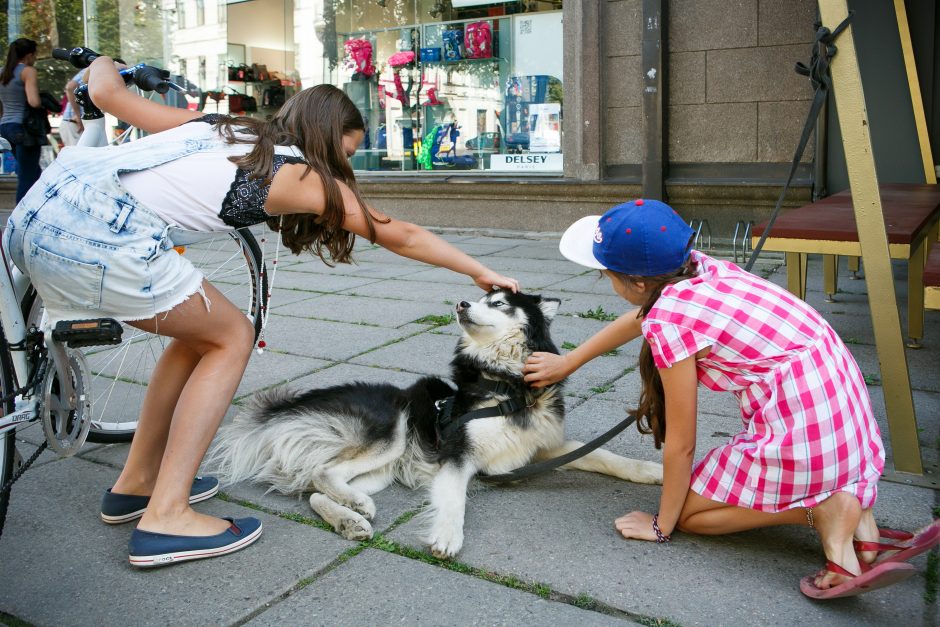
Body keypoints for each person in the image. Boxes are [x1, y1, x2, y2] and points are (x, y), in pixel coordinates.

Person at [3, 55, 519, 568]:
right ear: (323, 137)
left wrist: (101, 62)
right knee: (233, 336)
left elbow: (111, 96)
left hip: (36, 219)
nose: (343, 168)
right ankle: (166, 516)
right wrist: (477, 271)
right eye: (344, 153)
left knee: (199, 336)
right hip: (97, 241)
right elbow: (399, 234)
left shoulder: (224, 128)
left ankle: (138, 483)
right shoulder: (297, 172)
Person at [522, 199, 939, 599]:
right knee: (698, 499)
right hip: (840, 410)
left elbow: (682, 443)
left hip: (801, 432)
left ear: (638, 282)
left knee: (690, 516)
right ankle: (855, 518)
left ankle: (825, 509)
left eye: (607, 274)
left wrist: (662, 524)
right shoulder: (697, 268)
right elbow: (642, 316)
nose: (607, 282)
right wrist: (570, 362)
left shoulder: (671, 321)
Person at [0, 38, 43, 202]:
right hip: (24, 129)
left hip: (5, 127)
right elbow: (34, 101)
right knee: (27, 177)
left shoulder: (2, 72)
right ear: (30, 55)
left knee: (32, 172)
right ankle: (20, 217)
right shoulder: (28, 71)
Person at [59, 69, 85, 146]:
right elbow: (70, 87)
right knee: (79, 155)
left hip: (77, 123)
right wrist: (78, 116)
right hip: (74, 123)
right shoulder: (93, 69)